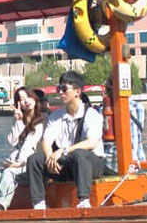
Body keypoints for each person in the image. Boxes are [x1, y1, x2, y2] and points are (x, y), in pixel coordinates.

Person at [25, 71, 104, 209]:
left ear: (77, 92)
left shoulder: (91, 114)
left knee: (80, 154)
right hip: (66, 164)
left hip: (90, 164)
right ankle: (39, 203)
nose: (60, 93)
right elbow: (46, 140)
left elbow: (91, 143)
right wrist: (50, 158)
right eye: (58, 89)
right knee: (34, 160)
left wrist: (63, 151)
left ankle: (84, 200)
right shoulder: (56, 116)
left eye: (64, 89)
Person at [0, 87, 44, 211]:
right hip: (18, 164)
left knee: (8, 173)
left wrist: (18, 164)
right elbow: (12, 141)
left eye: (28, 97)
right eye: (21, 99)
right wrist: (19, 121)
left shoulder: (42, 121)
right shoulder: (22, 121)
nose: (26, 101)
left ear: (34, 98)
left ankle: (0, 205)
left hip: (31, 166)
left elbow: (34, 149)